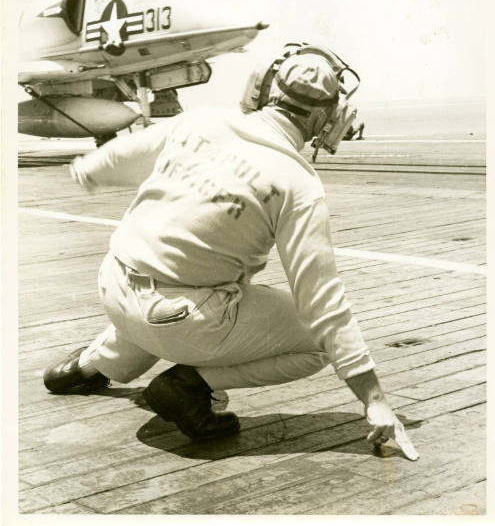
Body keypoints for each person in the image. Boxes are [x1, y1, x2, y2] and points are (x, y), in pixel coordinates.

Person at [43, 43, 418, 459]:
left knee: (175, 268)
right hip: (176, 319)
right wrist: (373, 398)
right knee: (316, 340)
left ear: (262, 88)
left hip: (112, 287)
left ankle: (87, 368)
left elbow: (110, 162)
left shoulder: (202, 122)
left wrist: (87, 172)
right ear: (323, 117)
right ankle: (191, 387)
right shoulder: (296, 182)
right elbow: (322, 302)